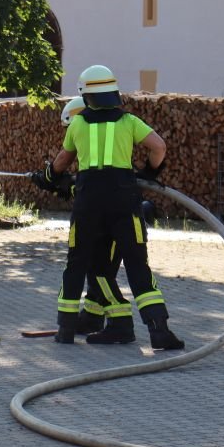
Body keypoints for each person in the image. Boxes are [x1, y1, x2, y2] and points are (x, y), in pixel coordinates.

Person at [34, 65, 184, 350]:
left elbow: (63, 161)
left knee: (77, 264)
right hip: (125, 201)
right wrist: (147, 173)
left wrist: (49, 177)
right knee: (138, 266)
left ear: (85, 95)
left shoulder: (77, 124)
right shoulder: (129, 121)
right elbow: (159, 147)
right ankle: (159, 331)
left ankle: (66, 329)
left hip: (88, 202)